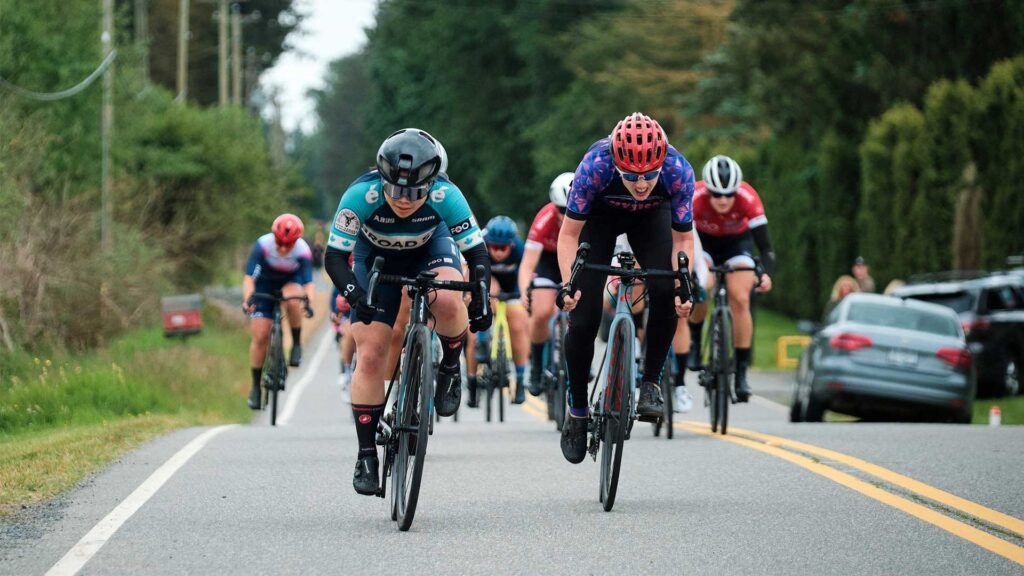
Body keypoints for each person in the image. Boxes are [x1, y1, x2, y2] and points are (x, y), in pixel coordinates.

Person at [323, 128, 491, 496]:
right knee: (369, 355)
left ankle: (449, 365)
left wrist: (481, 297)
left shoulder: (448, 196)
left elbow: (477, 255)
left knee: (448, 299)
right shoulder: (359, 196)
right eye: (396, 191)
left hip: (432, 249)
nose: (403, 200)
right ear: (381, 178)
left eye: (416, 193)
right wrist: (354, 295)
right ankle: (366, 454)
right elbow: (334, 257)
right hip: (376, 260)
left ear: (434, 183)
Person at [557, 112, 695, 464]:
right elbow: (569, 235)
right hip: (601, 218)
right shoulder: (595, 166)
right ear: (616, 162)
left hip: (653, 218)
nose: (640, 183)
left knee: (666, 290)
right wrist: (567, 285)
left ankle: (650, 382)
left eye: (649, 175)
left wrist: (684, 285)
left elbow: (683, 240)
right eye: (631, 176)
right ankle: (576, 411)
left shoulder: (678, 170)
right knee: (584, 317)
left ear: (661, 164)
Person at [686, 155, 774, 403]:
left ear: (737, 191)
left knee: (741, 298)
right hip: (703, 243)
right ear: (708, 190)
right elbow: (682, 236)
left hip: (737, 244)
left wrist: (765, 273)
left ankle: (741, 373)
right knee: (704, 284)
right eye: (716, 194)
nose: (723, 200)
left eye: (728, 195)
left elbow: (766, 248)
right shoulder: (694, 196)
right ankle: (694, 339)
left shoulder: (748, 197)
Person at [241, 214, 316, 410]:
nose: (283, 248)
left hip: (290, 283)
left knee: (292, 299)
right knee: (260, 335)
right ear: (274, 236)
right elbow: (250, 278)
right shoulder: (263, 245)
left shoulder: (302, 251)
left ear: (296, 241)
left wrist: (308, 302)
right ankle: (255, 387)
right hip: (265, 285)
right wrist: (248, 300)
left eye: (288, 244)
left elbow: (308, 284)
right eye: (280, 242)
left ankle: (296, 344)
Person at [465, 216, 530, 406]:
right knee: (473, 335)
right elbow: (467, 270)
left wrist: (525, 296)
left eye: (503, 248)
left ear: (511, 244)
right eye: (494, 247)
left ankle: (519, 381)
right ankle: (473, 383)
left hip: (512, 287)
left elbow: (526, 274)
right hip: (486, 283)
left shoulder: (519, 249)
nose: (499, 252)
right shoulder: (479, 245)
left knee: (518, 325)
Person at [518, 172, 572, 395]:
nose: (564, 215)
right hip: (549, 263)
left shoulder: (589, 214)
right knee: (540, 313)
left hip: (576, 259)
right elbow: (528, 263)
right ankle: (537, 366)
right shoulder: (545, 218)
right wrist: (523, 291)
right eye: (561, 210)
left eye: (569, 210)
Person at [331, 287, 355, 404]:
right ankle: (346, 370)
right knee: (347, 332)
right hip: (344, 316)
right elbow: (333, 300)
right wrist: (334, 315)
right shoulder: (342, 273)